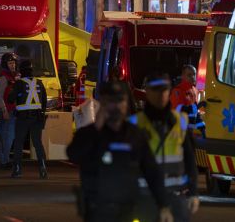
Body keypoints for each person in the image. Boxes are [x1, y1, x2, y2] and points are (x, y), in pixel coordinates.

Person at [67, 82, 173, 222]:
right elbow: (74, 155)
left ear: (126, 103)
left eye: (120, 100)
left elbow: (152, 172)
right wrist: (95, 129)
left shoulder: (135, 135)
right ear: (102, 104)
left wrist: (163, 205)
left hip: (128, 211)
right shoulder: (89, 134)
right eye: (110, 101)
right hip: (97, 211)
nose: (116, 106)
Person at [132, 72, 200, 222]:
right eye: (155, 90)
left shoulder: (180, 121)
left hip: (176, 196)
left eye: (164, 89)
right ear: (147, 92)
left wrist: (193, 191)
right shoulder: (134, 123)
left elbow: (189, 159)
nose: (160, 94)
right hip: (145, 197)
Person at [8, 60, 47, 179]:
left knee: (19, 143)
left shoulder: (19, 83)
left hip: (23, 117)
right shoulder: (39, 83)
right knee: (37, 143)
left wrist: (13, 85)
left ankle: (18, 169)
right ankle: (43, 168)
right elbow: (44, 102)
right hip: (37, 117)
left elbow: (10, 99)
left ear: (22, 71)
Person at [0, 52, 19, 169]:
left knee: (5, 136)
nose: (12, 65)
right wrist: (4, 110)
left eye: (13, 63)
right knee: (9, 136)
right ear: (5, 64)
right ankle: (5, 160)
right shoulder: (3, 77)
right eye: (10, 63)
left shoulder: (14, 76)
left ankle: (3, 160)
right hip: (6, 111)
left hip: (11, 110)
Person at [171, 65, 205, 137]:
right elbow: (178, 110)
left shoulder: (195, 90)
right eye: (189, 75)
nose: (192, 77)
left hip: (190, 131)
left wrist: (202, 128)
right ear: (183, 76)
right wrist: (197, 106)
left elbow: (195, 114)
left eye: (194, 74)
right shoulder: (177, 91)